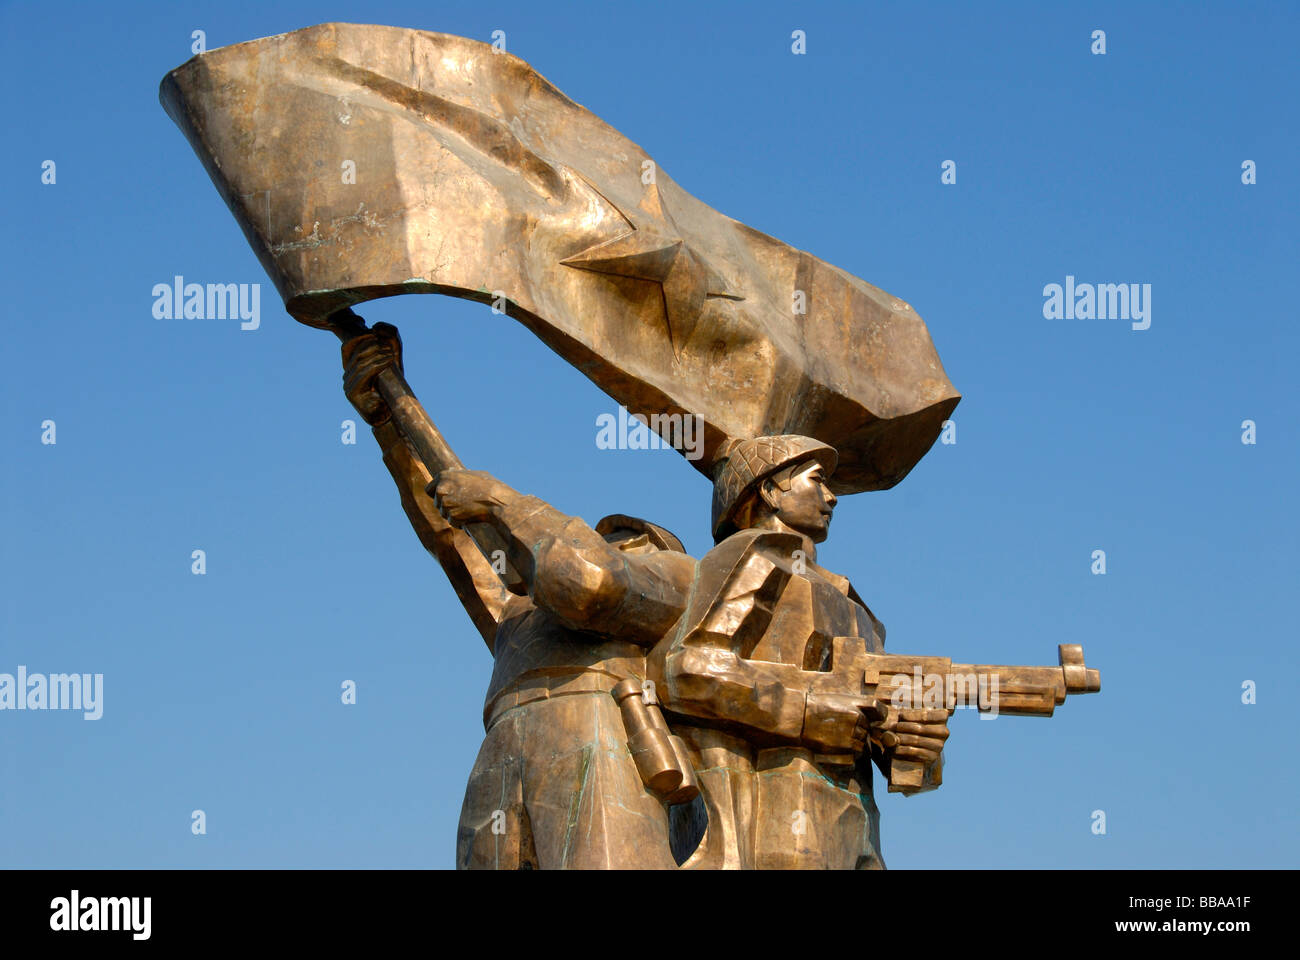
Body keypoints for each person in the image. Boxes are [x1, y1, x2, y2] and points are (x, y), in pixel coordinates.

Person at [341, 321, 698, 869]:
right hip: (504, 736)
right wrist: (389, 422)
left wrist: (503, 503)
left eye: (629, 538)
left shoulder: (674, 576)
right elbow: (450, 537)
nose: (614, 540)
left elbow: (593, 580)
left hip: (600, 723)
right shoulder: (522, 609)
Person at [647, 435, 951, 869]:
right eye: (817, 481)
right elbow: (687, 670)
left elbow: (885, 739)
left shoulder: (854, 602)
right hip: (774, 815)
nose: (831, 497)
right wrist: (810, 710)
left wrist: (916, 747)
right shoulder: (752, 558)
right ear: (770, 491)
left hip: (858, 832)